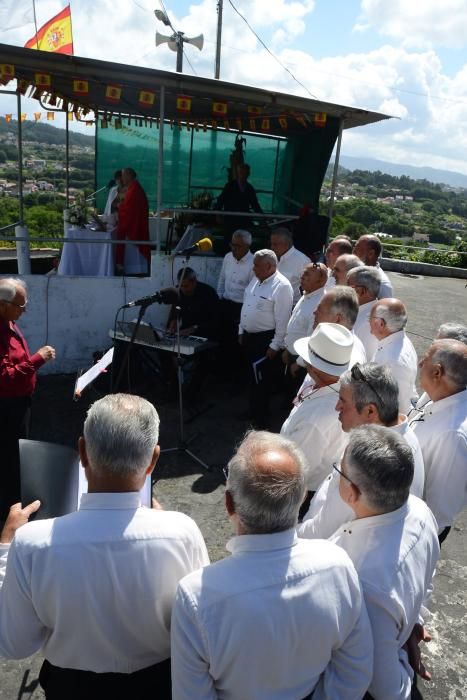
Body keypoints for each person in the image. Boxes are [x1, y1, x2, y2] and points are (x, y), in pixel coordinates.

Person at [0, 393, 209, 699]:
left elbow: (13, 644)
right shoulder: (183, 531)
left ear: (82, 452)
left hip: (71, 688)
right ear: (153, 459)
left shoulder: (32, 543)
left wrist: (6, 546)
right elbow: (200, 624)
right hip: (159, 686)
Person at [171, 430, 373, 700]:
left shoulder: (196, 596)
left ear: (229, 504)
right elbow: (355, 670)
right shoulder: (338, 565)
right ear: (302, 497)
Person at [329, 426, 439, 700]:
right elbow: (426, 578)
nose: (335, 476)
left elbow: (385, 687)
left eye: (339, 471)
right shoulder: (420, 510)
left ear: (352, 493)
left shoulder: (366, 585)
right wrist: (412, 622)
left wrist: (402, 661)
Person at [299, 362, 425, 540]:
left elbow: (322, 530)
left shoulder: (372, 467)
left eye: (343, 401)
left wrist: (295, 535)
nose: (337, 407)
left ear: (370, 411)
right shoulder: (401, 437)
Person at [280, 323, 353, 509]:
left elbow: (299, 469)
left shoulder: (316, 419)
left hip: (301, 491)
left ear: (313, 366)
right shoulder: (331, 385)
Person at [0, 278, 55, 522]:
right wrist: (37, 359)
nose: (24, 310)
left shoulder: (9, 321)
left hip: (20, 402)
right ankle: (10, 512)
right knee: (9, 458)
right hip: (7, 406)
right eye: (20, 306)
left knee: (17, 454)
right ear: (2, 305)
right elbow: (4, 378)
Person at [410, 339, 467, 544]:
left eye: (424, 359)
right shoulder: (436, 395)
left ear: (437, 373)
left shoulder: (453, 436)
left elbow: (438, 513)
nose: (419, 364)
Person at [239, 250, 293, 428]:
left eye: (256, 265)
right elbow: (246, 304)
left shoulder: (282, 286)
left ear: (269, 266)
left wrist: (275, 345)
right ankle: (252, 411)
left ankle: (261, 421)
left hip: (265, 340)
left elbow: (283, 320)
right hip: (249, 338)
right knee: (251, 378)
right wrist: (241, 329)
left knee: (262, 381)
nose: (253, 268)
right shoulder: (256, 280)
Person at [282, 262, 327, 392]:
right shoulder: (306, 295)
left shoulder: (320, 303)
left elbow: (313, 338)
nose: (302, 276)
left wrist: (299, 363)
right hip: (292, 355)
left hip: (302, 362)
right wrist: (287, 348)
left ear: (320, 280)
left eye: (307, 274)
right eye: (303, 272)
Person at [370, 298, 418, 414]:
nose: (368, 322)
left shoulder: (393, 361)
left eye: (370, 318)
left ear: (380, 323)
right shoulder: (397, 341)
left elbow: (393, 409)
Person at [217, 230, 254, 371]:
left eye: (237, 246)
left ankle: (235, 378)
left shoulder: (253, 262)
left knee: (238, 344)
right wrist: (220, 296)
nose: (234, 248)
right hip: (225, 304)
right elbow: (221, 279)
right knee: (223, 341)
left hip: (241, 308)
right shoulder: (228, 257)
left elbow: (252, 291)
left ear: (247, 246)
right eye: (232, 244)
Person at [216, 163, 263, 253]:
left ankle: (241, 255)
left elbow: (255, 204)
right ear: (238, 173)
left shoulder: (249, 188)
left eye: (245, 173)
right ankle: (226, 256)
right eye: (241, 172)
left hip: (243, 220)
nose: (243, 175)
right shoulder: (230, 186)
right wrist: (217, 214)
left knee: (242, 240)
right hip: (230, 219)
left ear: (248, 174)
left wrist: (262, 217)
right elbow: (221, 200)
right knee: (229, 240)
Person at [168, 267, 220, 340]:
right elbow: (176, 310)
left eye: (186, 286)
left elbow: (215, 320)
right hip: (184, 333)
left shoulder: (208, 293)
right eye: (181, 286)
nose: (183, 289)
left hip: (205, 335)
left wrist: (194, 328)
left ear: (194, 281)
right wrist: (173, 322)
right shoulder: (178, 291)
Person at [115, 167, 150, 275]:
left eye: (124, 175)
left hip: (134, 225)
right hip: (135, 222)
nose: (122, 178)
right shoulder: (132, 187)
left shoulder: (134, 189)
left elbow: (128, 209)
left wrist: (119, 207)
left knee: (132, 252)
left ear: (130, 176)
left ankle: (135, 269)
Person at [346, 265, 382, 358]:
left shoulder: (369, 323)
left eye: (348, 286)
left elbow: (363, 358)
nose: (344, 290)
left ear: (362, 291)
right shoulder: (361, 310)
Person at [270, 228, 311, 304]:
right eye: (271, 244)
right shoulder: (271, 258)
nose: (272, 247)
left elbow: (310, 289)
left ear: (286, 244)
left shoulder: (303, 261)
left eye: (275, 244)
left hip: (291, 307)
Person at [353, 234, 393, 298]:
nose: (353, 251)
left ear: (371, 253)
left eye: (357, 248)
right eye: (354, 247)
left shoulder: (382, 285)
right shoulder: (352, 271)